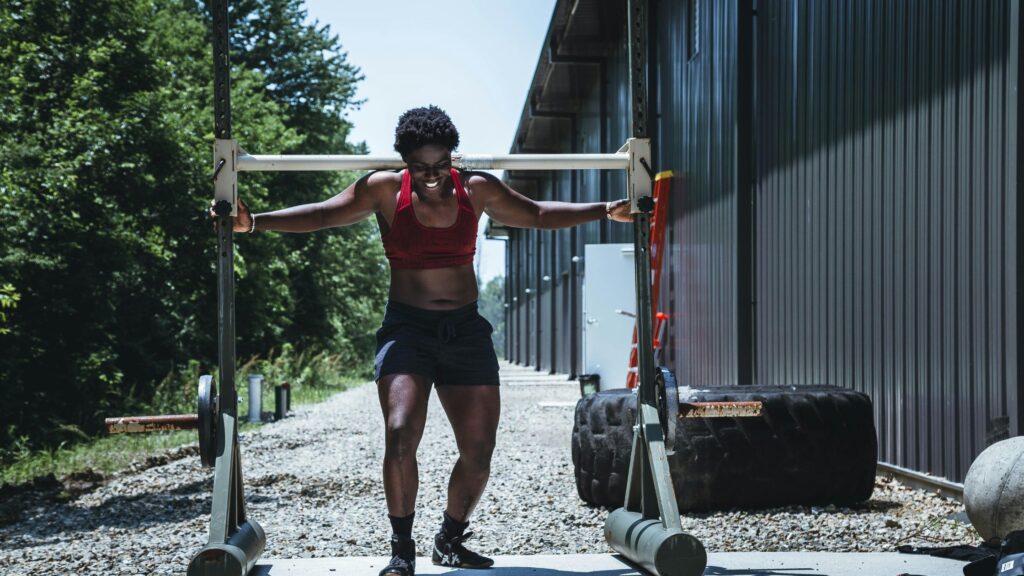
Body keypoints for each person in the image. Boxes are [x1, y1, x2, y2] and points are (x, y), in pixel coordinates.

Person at [224, 106, 631, 576]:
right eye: (421, 167)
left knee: (478, 452)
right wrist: (254, 222)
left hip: (465, 331)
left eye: (441, 165)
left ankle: (450, 540)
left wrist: (603, 209)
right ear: (405, 162)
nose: (433, 176)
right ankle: (402, 549)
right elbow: (321, 215)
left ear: (452, 159)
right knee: (400, 433)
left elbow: (537, 214)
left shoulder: (475, 189)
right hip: (407, 331)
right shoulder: (383, 189)